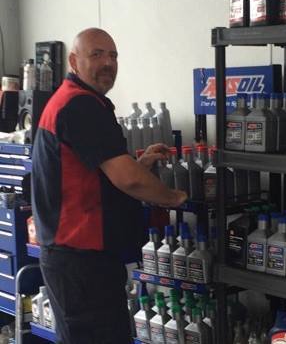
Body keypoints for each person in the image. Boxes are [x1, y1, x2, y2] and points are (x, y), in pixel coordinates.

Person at [31, 28, 187, 344]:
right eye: (97, 54)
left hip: (75, 260)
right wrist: (173, 197)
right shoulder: (80, 105)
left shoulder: (77, 100)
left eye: (113, 56)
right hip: (81, 263)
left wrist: (141, 164)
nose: (108, 63)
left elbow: (92, 170)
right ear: (73, 61)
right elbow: (128, 179)